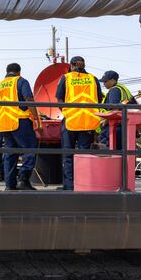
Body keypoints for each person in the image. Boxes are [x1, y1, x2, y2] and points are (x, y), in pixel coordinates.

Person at [0, 63, 41, 190]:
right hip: (20, 122)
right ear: (19, 72)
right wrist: (37, 119)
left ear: (6, 72)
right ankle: (23, 179)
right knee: (30, 150)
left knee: (10, 153)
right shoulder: (21, 81)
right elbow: (29, 99)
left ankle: (9, 184)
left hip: (4, 125)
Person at [55, 56, 103, 190]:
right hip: (88, 121)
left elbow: (59, 100)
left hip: (71, 120)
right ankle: (83, 184)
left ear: (71, 65)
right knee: (84, 154)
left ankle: (69, 185)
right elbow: (99, 99)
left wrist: (67, 112)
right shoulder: (93, 79)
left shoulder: (66, 78)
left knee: (68, 154)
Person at [98, 70, 137, 150]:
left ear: (112, 80)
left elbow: (114, 109)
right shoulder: (122, 88)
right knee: (122, 152)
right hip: (123, 125)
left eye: (105, 81)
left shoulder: (114, 91)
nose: (104, 84)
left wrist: (106, 121)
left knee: (111, 152)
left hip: (114, 126)